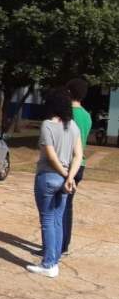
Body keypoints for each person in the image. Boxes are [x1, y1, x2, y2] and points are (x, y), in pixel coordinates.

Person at [27, 88, 83, 278]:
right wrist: (70, 177)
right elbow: (79, 156)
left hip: (48, 177)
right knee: (58, 220)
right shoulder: (73, 126)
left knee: (48, 221)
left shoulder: (47, 125)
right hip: (65, 179)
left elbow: (50, 156)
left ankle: (49, 264)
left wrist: (64, 174)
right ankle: (54, 260)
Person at [60, 79, 91, 256]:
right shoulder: (86, 115)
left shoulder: (66, 113)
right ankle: (64, 244)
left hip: (66, 165)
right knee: (68, 206)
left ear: (69, 92)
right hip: (80, 165)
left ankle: (57, 245)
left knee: (57, 207)